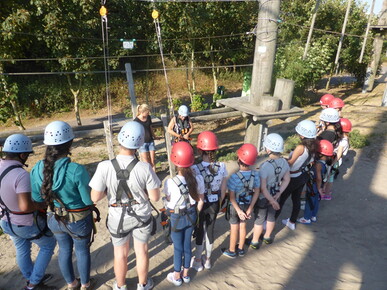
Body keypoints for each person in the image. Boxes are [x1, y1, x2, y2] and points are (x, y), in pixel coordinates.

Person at [89, 121, 161, 290]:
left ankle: (120, 286)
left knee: (120, 253)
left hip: (117, 216)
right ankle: (143, 284)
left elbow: (95, 197)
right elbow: (155, 197)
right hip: (141, 214)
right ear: (139, 143)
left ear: (120, 139)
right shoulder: (145, 168)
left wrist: (109, 190)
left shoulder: (104, 166)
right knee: (141, 250)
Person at [31, 121, 95, 290]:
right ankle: (85, 285)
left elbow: (37, 198)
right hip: (78, 219)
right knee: (81, 251)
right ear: (69, 143)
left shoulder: (37, 168)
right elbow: (88, 201)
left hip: (54, 218)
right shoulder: (76, 170)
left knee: (64, 250)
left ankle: (71, 283)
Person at [0, 134, 56, 290]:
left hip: (5, 220)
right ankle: (33, 284)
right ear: (22, 154)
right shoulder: (21, 174)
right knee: (48, 244)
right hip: (23, 223)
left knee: (22, 249)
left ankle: (30, 276)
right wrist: (41, 204)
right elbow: (25, 206)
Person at [163, 141, 204, 286]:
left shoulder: (170, 182)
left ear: (175, 161)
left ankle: (176, 275)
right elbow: (201, 201)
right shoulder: (198, 179)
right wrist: (194, 215)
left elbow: (168, 199)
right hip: (191, 214)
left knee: (177, 247)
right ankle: (186, 274)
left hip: (176, 216)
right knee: (187, 245)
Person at [191, 131, 227, 271]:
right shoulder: (222, 166)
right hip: (215, 202)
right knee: (210, 230)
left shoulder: (194, 168)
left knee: (200, 230)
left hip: (201, 202)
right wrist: (219, 201)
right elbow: (223, 190)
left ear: (200, 150)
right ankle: (208, 260)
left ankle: (198, 260)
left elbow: (194, 189)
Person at [275, 120, 318, 231]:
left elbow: (290, 163)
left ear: (302, 134)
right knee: (296, 199)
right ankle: (292, 221)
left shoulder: (300, 147)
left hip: (293, 177)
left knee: (281, 199)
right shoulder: (314, 146)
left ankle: (270, 221)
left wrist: (280, 160)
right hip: (303, 175)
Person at [250, 134, 290, 248]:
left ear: (268, 149)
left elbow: (263, 187)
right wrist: (279, 193)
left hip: (264, 197)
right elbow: (287, 180)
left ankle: (255, 241)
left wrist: (272, 201)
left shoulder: (265, 166)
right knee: (271, 217)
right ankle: (267, 237)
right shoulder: (284, 162)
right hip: (276, 193)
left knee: (260, 219)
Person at [222, 143, 260, 258]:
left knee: (234, 227)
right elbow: (256, 192)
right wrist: (250, 208)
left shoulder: (234, 177)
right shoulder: (255, 175)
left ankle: (232, 250)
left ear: (239, 159)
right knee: (243, 226)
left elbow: (232, 197)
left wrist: (238, 211)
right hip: (247, 204)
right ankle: (241, 249)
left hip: (236, 206)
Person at [298, 140, 333, 224]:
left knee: (309, 200)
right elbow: (327, 176)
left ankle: (306, 218)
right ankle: (313, 215)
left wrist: (318, 187)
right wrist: (322, 187)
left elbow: (318, 178)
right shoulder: (326, 164)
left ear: (320, 153)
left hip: (314, 184)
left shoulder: (318, 164)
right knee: (316, 200)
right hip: (319, 185)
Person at [323, 118, 352, 200]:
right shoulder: (343, 138)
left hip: (334, 161)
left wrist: (332, 164)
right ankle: (327, 192)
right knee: (329, 178)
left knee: (328, 178)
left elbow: (339, 154)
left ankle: (326, 193)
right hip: (335, 161)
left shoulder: (343, 140)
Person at [134, 104, 157, 171]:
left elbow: (150, 127)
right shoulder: (136, 121)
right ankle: (149, 175)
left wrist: (154, 136)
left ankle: (154, 174)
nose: (148, 113)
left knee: (152, 161)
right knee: (146, 162)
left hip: (150, 141)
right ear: (142, 112)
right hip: (142, 143)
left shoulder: (148, 117)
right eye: (147, 112)